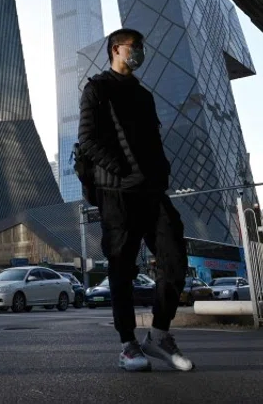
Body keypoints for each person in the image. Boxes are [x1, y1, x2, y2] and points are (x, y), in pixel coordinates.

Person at [78, 28, 192, 373]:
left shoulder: (143, 95)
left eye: (142, 46)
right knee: (122, 269)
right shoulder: (97, 88)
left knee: (174, 258)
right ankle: (127, 344)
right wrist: (123, 172)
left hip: (152, 192)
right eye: (135, 46)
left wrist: (160, 173)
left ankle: (158, 335)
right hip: (117, 194)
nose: (141, 52)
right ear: (117, 49)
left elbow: (153, 140)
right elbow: (87, 141)